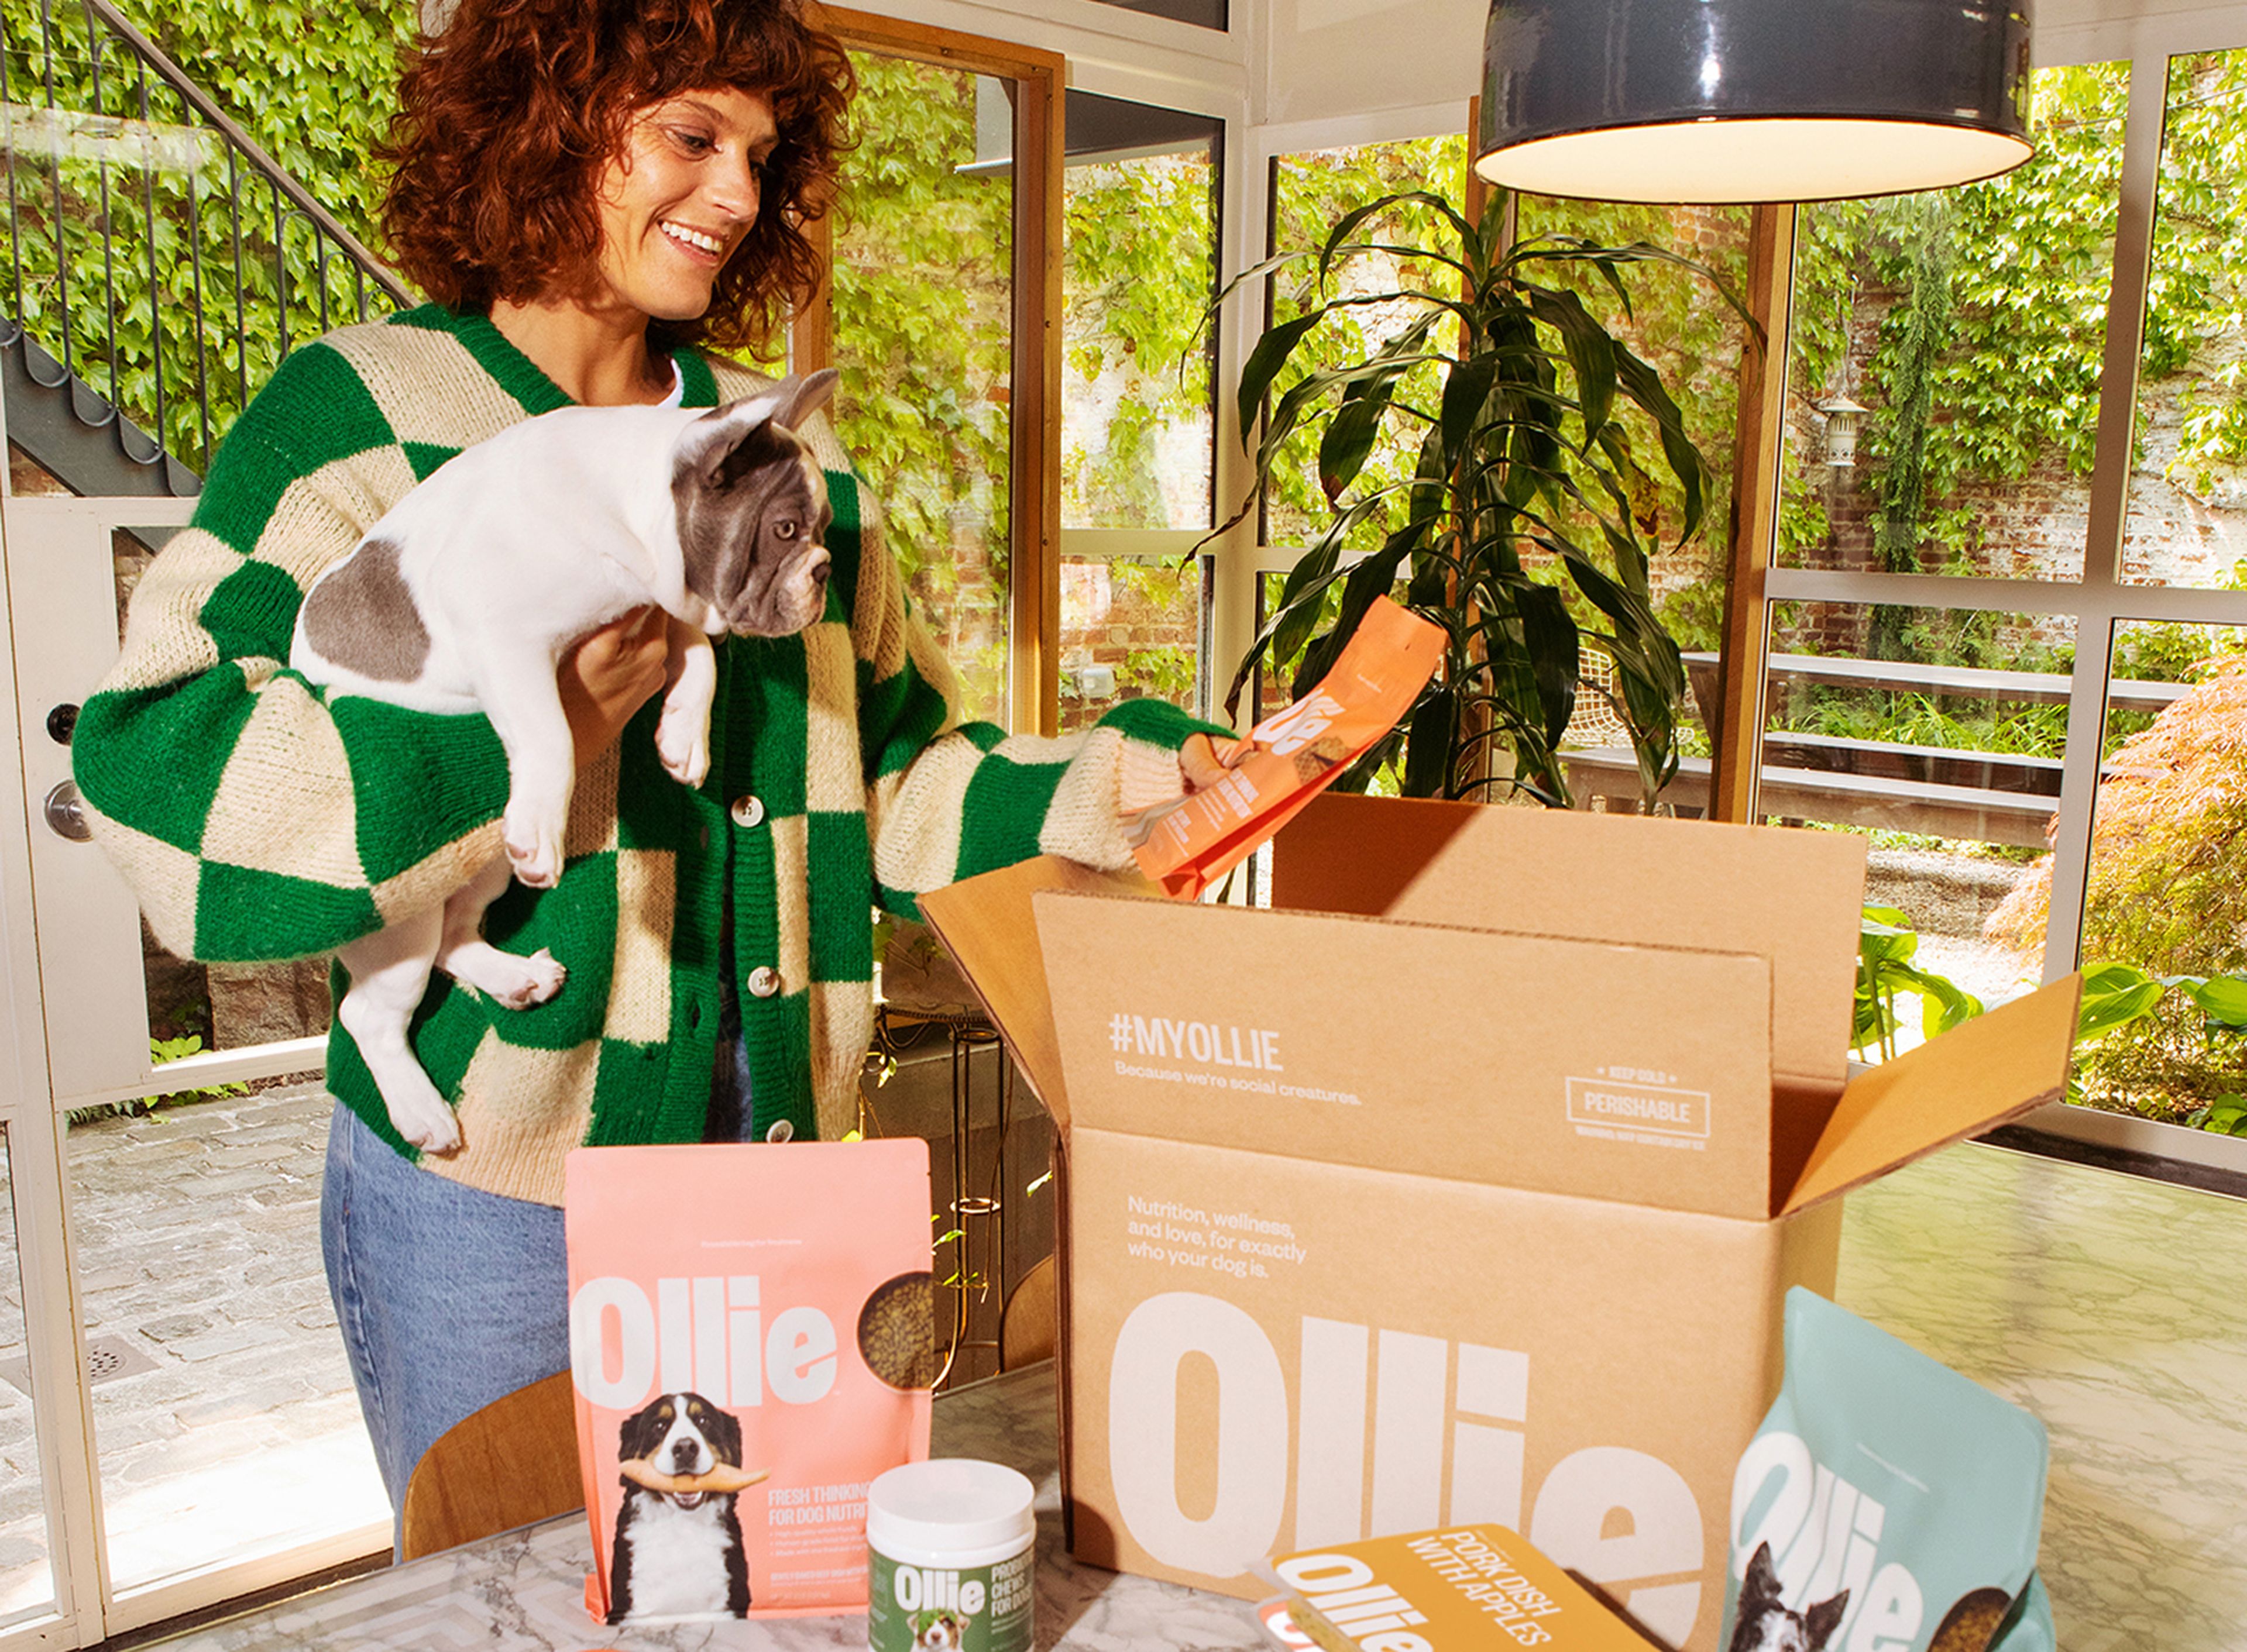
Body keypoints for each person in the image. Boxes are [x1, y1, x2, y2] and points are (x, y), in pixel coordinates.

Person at [71, 0, 1231, 1527]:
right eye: (691, 137)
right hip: (496, 1203)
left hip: (789, 1174)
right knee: (517, 1615)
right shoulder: (357, 420)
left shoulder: (791, 465)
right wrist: (527, 721)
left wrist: (1122, 778)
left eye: (761, 154)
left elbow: (897, 775)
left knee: (788, 1599)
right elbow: (173, 780)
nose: (740, 196)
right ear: (546, 126)